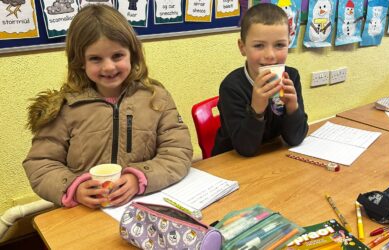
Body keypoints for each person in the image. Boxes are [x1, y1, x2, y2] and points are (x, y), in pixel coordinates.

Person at [23, 4, 193, 209]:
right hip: (84, 214)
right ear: (81, 62)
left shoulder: (156, 99)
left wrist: (140, 178)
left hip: (143, 207)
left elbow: (178, 152)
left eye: (117, 56)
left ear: (133, 54)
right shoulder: (65, 108)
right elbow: (40, 164)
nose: (109, 67)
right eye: (95, 59)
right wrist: (73, 188)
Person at [212, 3, 308, 157]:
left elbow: (295, 138)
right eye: (259, 46)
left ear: (288, 43)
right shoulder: (231, 87)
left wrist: (293, 109)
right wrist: (256, 110)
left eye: (279, 45)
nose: (270, 55)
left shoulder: (291, 77)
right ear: (242, 47)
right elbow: (245, 149)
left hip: (271, 155)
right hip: (232, 160)